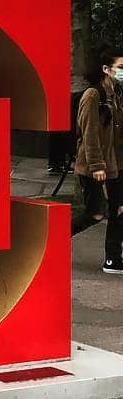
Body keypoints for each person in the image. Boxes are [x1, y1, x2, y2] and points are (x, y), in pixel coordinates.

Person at [74, 46, 123, 274]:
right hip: (96, 166)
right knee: (94, 214)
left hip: (117, 165)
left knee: (119, 209)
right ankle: (50, 239)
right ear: (106, 69)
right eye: (120, 68)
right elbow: (89, 133)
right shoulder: (93, 95)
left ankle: (113, 259)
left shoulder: (117, 94)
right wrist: (96, 166)